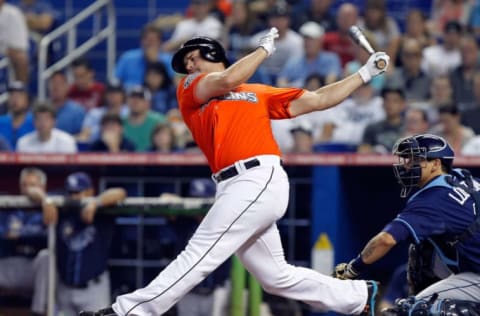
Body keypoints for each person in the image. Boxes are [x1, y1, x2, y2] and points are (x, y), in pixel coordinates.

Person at [80, 26, 390, 316]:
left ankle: (127, 312)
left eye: (193, 57)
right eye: (186, 61)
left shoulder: (257, 91)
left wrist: (364, 73)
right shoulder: (190, 86)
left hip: (258, 177)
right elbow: (226, 81)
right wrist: (262, 51)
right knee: (275, 276)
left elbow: (319, 99)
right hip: (232, 184)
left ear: (212, 54)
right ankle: (358, 296)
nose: (188, 65)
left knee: (199, 253)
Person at [333, 134, 480, 315]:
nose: (408, 164)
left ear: (436, 164)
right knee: (421, 250)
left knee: (416, 310)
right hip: (473, 269)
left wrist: (351, 269)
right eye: (409, 159)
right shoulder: (462, 178)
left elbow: (386, 240)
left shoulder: (433, 198)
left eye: (417, 159)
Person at [51, 172, 127, 315]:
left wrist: (95, 203)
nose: (74, 197)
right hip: (65, 289)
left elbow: (120, 192)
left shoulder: (102, 212)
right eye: (70, 193)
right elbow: (34, 191)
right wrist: (45, 202)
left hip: (93, 289)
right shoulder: (64, 210)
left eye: (78, 192)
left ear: (90, 191)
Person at [0, 167, 55, 316]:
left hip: (33, 267)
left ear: (43, 187)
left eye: (33, 185)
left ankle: (39, 312)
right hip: (9, 264)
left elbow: (45, 237)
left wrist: (45, 200)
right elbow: (5, 235)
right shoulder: (10, 205)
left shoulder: (51, 204)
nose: (28, 189)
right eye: (24, 185)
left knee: (46, 257)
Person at [0, 0, 29, 83]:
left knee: (21, 58)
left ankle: (20, 90)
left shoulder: (13, 14)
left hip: (8, 50)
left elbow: (19, 45)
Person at [0, 81, 34, 149]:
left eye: (19, 96)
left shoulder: (35, 122)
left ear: (26, 100)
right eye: (12, 96)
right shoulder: (1, 122)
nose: (15, 100)